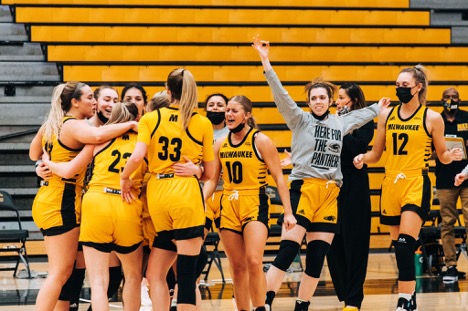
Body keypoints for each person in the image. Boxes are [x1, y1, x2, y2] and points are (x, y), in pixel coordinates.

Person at [252, 35, 388, 311]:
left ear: (329, 99)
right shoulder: (299, 119)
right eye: (313, 98)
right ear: (309, 101)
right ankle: (263, 302)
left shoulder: (340, 122)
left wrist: (382, 108)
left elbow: (366, 114)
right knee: (288, 250)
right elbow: (280, 94)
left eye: (323, 97)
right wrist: (265, 60)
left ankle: (302, 306)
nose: (318, 101)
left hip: (330, 194)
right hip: (303, 190)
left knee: (316, 257)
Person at [353, 66, 463, 311]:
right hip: (390, 184)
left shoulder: (432, 117)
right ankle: (410, 296)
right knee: (402, 248)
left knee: (404, 243)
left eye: (405, 85)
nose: (400, 89)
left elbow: (441, 155)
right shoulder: (386, 115)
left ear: (418, 87)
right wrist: (363, 157)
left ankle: (404, 299)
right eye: (397, 85)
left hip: (416, 181)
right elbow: (377, 152)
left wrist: (451, 156)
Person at [29, 82, 137, 311]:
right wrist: (131, 123)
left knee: (72, 269)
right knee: (60, 272)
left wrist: (43, 165)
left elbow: (33, 153)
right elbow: (96, 136)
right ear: (75, 102)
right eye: (90, 97)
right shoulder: (74, 126)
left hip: (51, 196)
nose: (94, 102)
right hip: (62, 201)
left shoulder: (52, 122)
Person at [120, 68, 217, 311]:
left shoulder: (150, 119)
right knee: (185, 276)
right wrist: (196, 171)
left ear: (167, 88)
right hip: (185, 194)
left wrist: (124, 177)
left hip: (158, 195)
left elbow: (138, 155)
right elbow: (210, 173)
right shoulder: (201, 122)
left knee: (155, 274)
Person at [212, 95, 296, 311]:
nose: (228, 114)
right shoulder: (220, 144)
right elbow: (212, 180)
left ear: (247, 115)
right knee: (237, 266)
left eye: (234, 111)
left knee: (253, 261)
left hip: (255, 202)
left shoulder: (261, 141)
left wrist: (288, 212)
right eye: (227, 110)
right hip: (228, 204)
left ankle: (260, 307)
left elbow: (278, 178)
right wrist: (197, 202)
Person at [326, 83, 374, 311]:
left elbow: (358, 146)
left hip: (355, 186)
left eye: (341, 98)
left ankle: (354, 299)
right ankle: (344, 294)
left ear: (353, 101)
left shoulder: (365, 120)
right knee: (332, 242)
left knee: (355, 242)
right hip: (331, 185)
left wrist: (336, 131)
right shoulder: (329, 120)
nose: (336, 102)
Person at [434, 87, 468, 283]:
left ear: (460, 100)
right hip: (445, 178)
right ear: (442, 100)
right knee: (447, 222)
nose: (451, 99)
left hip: (467, 177)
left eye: (454, 97)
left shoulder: (466, 118)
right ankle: (451, 265)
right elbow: (429, 151)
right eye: (447, 97)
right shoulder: (436, 121)